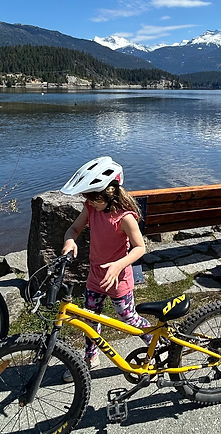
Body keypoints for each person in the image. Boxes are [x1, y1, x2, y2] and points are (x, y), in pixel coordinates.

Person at [60, 156, 152, 375]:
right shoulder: (91, 209)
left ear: (110, 192)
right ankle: (91, 357)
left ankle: (155, 341)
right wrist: (70, 240)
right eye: (88, 198)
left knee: (128, 318)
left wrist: (118, 265)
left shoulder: (125, 217)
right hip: (95, 277)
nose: (90, 202)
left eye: (94, 199)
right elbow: (73, 229)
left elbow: (140, 248)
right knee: (90, 318)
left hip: (118, 278)